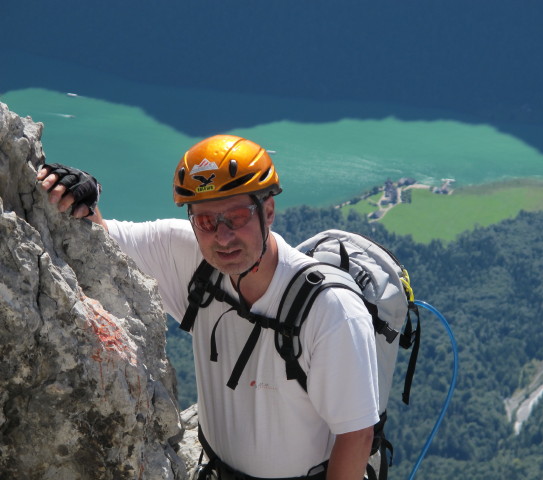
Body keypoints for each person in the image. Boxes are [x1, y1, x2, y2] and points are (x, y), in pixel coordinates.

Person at [37, 134, 380, 480]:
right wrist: (82, 191)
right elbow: (103, 241)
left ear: (269, 211)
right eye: (206, 222)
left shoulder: (330, 310)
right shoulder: (190, 258)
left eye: (237, 217)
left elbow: (356, 434)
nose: (222, 236)